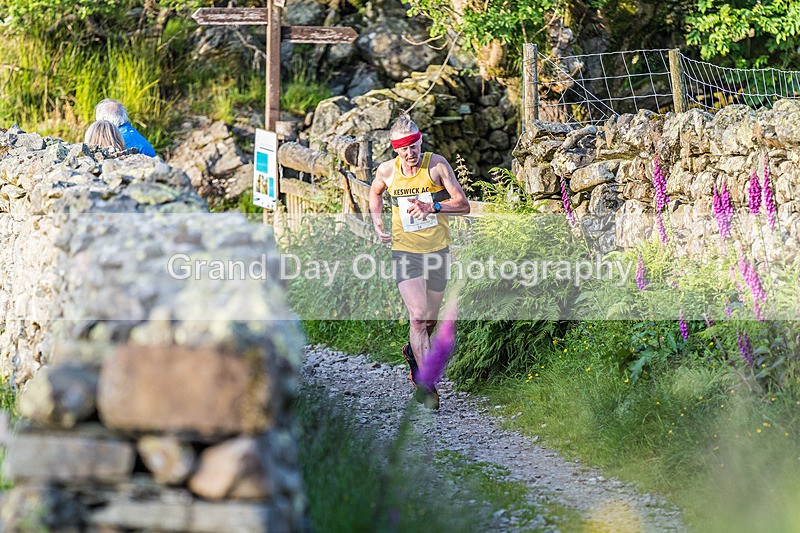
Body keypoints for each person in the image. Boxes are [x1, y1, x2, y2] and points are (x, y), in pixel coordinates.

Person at [369, 113, 470, 409]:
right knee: (417, 316)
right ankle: (427, 386)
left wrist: (434, 206)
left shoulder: (436, 165)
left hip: (437, 251)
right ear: (395, 150)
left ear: (420, 141)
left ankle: (415, 355)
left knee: (429, 320)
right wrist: (377, 223)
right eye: (403, 149)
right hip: (405, 252)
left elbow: (462, 204)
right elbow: (374, 193)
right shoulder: (388, 171)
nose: (410, 154)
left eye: (414, 146)